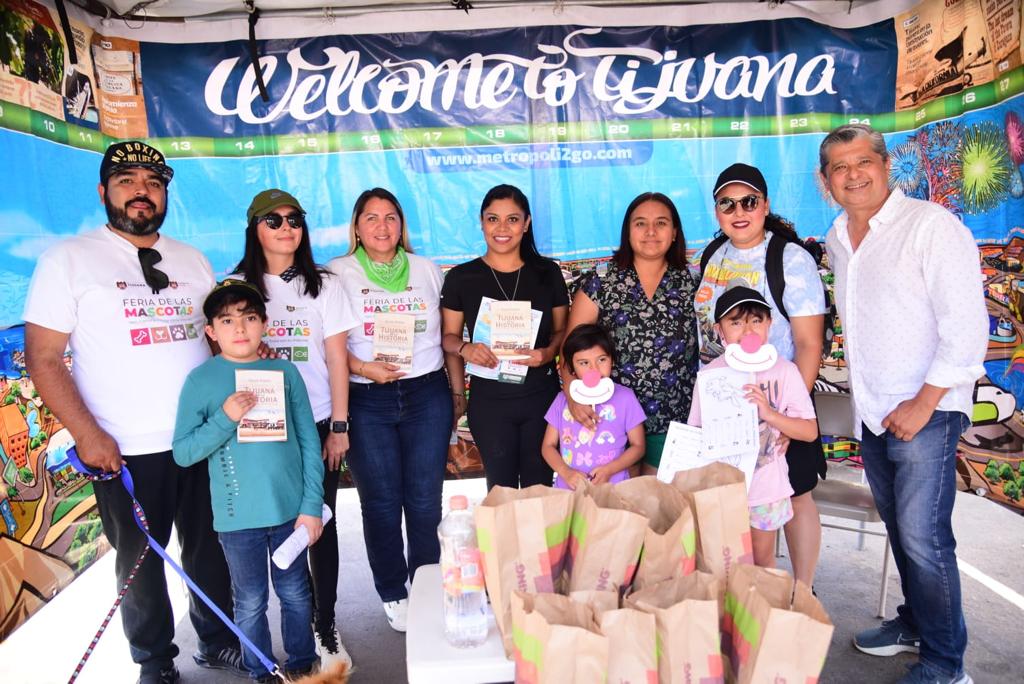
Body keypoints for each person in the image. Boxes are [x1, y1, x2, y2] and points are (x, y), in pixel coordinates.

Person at [22, 141, 243, 684]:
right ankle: (154, 660)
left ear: (165, 193)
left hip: (202, 438)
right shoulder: (68, 259)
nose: (141, 190)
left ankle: (217, 642)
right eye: (127, 180)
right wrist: (86, 433)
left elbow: (217, 343)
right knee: (141, 563)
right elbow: (44, 358)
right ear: (104, 192)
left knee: (210, 550)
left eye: (153, 181)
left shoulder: (192, 260)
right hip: (122, 448)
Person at [821, 124, 987, 684]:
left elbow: (966, 330)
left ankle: (946, 665)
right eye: (839, 168)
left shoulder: (931, 227)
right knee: (901, 531)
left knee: (923, 536)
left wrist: (924, 402)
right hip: (875, 411)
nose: (853, 175)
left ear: (885, 165)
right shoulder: (839, 236)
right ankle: (916, 622)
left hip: (927, 411)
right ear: (826, 181)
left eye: (862, 161)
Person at [173, 279, 324, 682]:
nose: (239, 329)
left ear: (265, 324)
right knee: (251, 601)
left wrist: (311, 506)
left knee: (295, 593)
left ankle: (302, 666)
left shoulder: (284, 372)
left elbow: (310, 441)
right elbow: (184, 452)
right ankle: (260, 671)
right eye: (227, 320)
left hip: (290, 514)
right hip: (238, 518)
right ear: (210, 330)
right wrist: (225, 417)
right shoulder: (200, 381)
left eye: (249, 318)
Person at [231, 189, 357, 667]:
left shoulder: (323, 284)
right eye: (273, 220)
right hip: (257, 430)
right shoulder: (236, 285)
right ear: (255, 228)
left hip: (318, 423)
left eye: (294, 219)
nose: (286, 227)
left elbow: (337, 359)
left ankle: (324, 626)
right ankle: (266, 641)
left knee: (318, 524)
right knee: (265, 530)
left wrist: (340, 426)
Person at [328, 188, 457, 633]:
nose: (382, 227)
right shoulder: (336, 273)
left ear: (402, 226)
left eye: (390, 218)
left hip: (426, 395)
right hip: (367, 398)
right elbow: (327, 345)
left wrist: (457, 394)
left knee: (425, 500)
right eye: (371, 218)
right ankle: (393, 591)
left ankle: (426, 581)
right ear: (357, 228)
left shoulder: (426, 270)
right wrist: (364, 367)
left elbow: (446, 333)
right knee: (381, 503)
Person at [694, 162, 827, 587]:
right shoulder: (713, 256)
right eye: (726, 203)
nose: (738, 210)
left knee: (795, 493)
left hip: (780, 397)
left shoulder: (790, 258)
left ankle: (803, 591)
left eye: (748, 201)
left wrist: (789, 412)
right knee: (738, 500)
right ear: (716, 211)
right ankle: (746, 589)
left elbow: (808, 343)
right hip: (726, 404)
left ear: (765, 205)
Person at [441, 184, 569, 489]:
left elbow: (564, 331)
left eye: (512, 219)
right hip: (490, 403)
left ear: (526, 224)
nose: (502, 228)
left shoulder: (547, 273)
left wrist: (549, 352)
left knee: (540, 490)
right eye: (492, 219)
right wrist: (465, 348)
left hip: (541, 398)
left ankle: (542, 540)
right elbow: (447, 337)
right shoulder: (462, 278)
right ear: (482, 222)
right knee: (501, 491)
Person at [564, 192, 698, 474]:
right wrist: (572, 395)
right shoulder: (601, 280)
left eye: (661, 223)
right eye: (640, 223)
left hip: (675, 419)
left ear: (674, 232)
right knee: (621, 511)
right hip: (611, 417)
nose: (650, 231)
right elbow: (571, 348)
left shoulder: (694, 282)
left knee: (666, 510)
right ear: (628, 231)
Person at [687, 286, 818, 568]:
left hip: (765, 489)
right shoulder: (710, 376)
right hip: (723, 488)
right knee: (724, 563)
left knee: (761, 562)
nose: (747, 330)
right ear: (720, 331)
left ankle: (759, 612)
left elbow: (808, 431)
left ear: (769, 325)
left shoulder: (785, 371)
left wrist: (770, 415)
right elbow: (695, 432)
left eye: (756, 320)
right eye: (736, 322)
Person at [541, 323, 646, 490]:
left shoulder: (626, 397)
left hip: (613, 490)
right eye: (584, 363)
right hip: (568, 491)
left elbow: (638, 446)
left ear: (612, 360)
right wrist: (566, 472)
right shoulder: (562, 400)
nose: (594, 369)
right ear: (571, 367)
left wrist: (610, 470)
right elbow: (547, 446)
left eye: (601, 360)